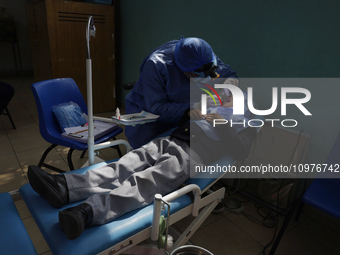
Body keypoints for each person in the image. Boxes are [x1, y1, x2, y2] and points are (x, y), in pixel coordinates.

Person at [27, 106, 257, 241]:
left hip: (190, 157)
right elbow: (182, 120)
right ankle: (63, 187)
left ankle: (86, 213)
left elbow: (242, 151)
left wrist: (224, 125)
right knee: (122, 166)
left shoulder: (248, 123)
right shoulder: (213, 105)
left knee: (145, 182)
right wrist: (190, 113)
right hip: (169, 140)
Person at [125, 37, 238, 149]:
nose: (207, 77)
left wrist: (230, 80)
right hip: (150, 119)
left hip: (186, 118)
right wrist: (193, 106)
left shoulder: (203, 55)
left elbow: (226, 72)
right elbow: (157, 107)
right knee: (149, 152)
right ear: (184, 70)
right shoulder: (156, 65)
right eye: (198, 74)